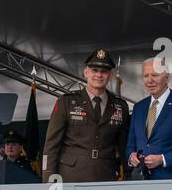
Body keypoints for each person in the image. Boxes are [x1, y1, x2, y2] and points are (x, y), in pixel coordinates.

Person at [42, 49, 130, 182]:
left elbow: (124, 147)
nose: (99, 75)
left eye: (104, 71)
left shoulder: (120, 106)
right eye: (94, 70)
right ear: (86, 72)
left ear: (110, 75)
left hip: (105, 175)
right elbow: (51, 145)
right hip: (70, 176)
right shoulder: (66, 101)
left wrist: (129, 176)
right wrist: (48, 179)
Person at [126, 58, 172, 180]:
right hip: (141, 182)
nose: (149, 80)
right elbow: (131, 144)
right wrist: (131, 156)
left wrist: (162, 159)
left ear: (166, 78)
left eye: (155, 75)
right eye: (146, 76)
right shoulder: (138, 108)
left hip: (171, 182)